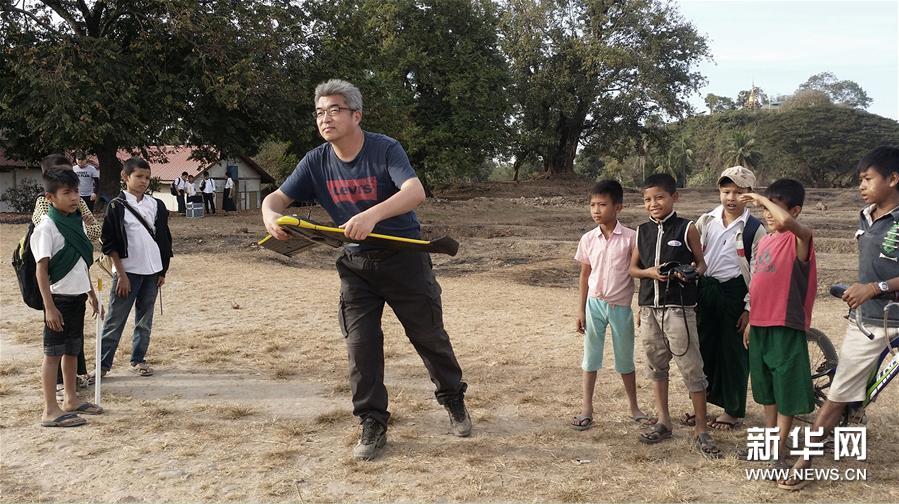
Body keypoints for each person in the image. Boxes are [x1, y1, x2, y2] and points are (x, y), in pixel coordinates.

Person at [262, 79, 470, 461]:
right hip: (355, 264)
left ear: (356, 115)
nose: (326, 118)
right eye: (320, 112)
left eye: (335, 110)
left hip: (404, 258)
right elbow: (276, 197)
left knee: (429, 337)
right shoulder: (315, 160)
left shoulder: (384, 148)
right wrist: (270, 216)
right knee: (361, 347)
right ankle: (372, 421)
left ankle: (453, 398)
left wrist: (372, 215)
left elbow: (414, 191)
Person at [781, 146, 899, 491]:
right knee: (840, 393)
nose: (861, 185)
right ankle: (805, 462)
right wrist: (867, 292)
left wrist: (875, 287)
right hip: (870, 320)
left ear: (893, 179)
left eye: (867, 179)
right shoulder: (866, 216)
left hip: (886, 309)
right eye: (859, 180)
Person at [629, 173, 721, 459]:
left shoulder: (686, 227)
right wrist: (650, 273)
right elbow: (633, 269)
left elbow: (701, 263)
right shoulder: (641, 230)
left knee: (692, 367)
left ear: (674, 198)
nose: (653, 203)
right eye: (647, 199)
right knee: (657, 367)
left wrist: (690, 273)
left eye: (659, 197)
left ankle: (701, 429)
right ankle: (663, 421)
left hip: (679, 309)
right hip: (649, 308)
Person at [739, 179, 817, 472]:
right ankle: (771, 443)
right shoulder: (766, 241)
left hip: (785, 324)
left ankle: (780, 451)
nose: (768, 215)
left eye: (773, 209)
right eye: (765, 210)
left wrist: (760, 198)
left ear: (795, 211)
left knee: (786, 390)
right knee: (767, 390)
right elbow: (758, 284)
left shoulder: (801, 239)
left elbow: (785, 220)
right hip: (759, 325)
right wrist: (750, 321)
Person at [572, 180, 654, 431]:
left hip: (620, 307)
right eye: (592, 205)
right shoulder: (588, 239)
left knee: (625, 360)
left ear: (618, 207)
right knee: (591, 358)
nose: (596, 210)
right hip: (594, 305)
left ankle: (634, 408)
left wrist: (643, 306)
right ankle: (587, 408)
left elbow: (639, 273)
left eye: (602, 205)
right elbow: (585, 274)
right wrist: (581, 309)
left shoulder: (631, 238)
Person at [690, 166, 766, 431]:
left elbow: (757, 273)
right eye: (726, 191)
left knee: (734, 353)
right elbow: (695, 254)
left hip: (736, 293)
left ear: (750, 195)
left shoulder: (755, 229)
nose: (731, 198)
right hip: (706, 290)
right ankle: (703, 405)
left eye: (739, 192)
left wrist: (749, 308)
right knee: (704, 350)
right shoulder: (706, 220)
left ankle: (732, 410)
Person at [32, 165, 103, 427]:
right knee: (53, 354)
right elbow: (41, 271)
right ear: (50, 197)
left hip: (77, 299)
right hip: (58, 300)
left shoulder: (78, 224)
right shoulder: (46, 227)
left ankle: (71, 399)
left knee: (73, 351)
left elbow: (82, 263)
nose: (74, 198)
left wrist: (92, 294)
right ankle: (50, 410)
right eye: (66, 192)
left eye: (76, 191)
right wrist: (49, 307)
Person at [98, 157, 173, 377]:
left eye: (147, 177)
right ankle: (103, 365)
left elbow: (164, 238)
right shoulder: (116, 206)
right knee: (115, 320)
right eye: (139, 176)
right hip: (127, 273)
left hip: (152, 272)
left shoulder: (156, 205)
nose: (143, 181)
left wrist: (162, 271)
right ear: (125, 177)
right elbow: (109, 243)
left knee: (144, 320)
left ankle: (138, 359)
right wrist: (120, 274)